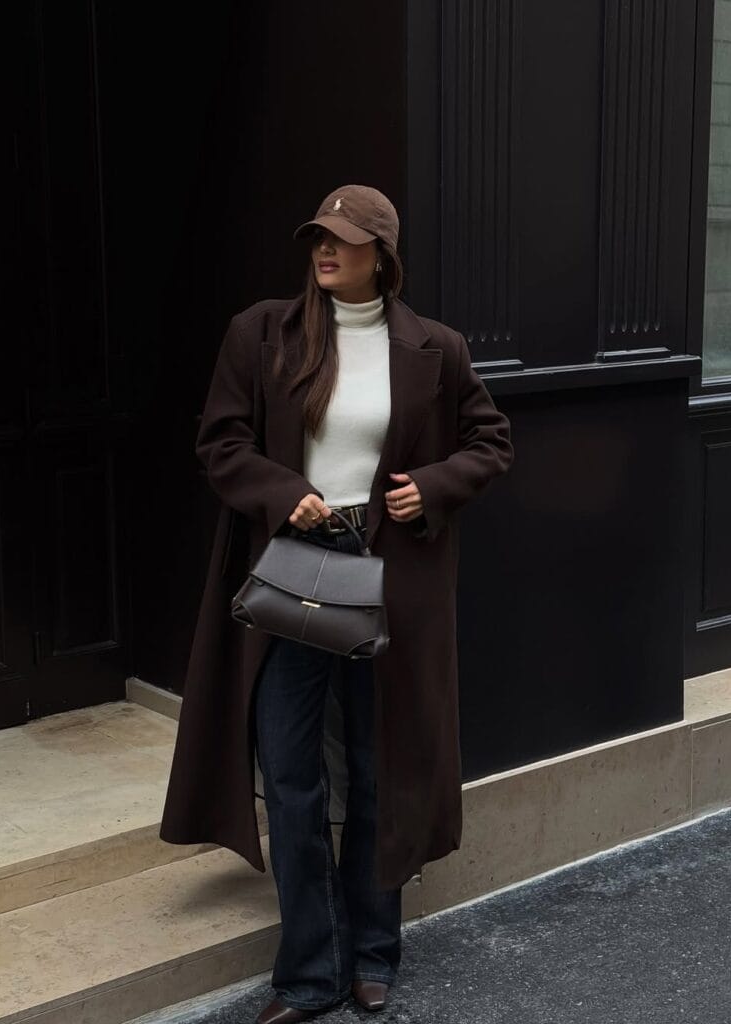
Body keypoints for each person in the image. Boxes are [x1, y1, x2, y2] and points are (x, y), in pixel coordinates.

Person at [158, 184, 514, 1023]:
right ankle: (309, 971)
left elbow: (491, 441)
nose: (325, 250)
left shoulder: (436, 347)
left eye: (344, 240)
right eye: (319, 236)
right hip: (293, 566)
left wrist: (427, 488)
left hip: (387, 572)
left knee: (377, 769)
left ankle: (374, 955)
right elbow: (221, 441)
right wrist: (285, 493)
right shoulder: (261, 333)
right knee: (290, 773)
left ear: (381, 256)